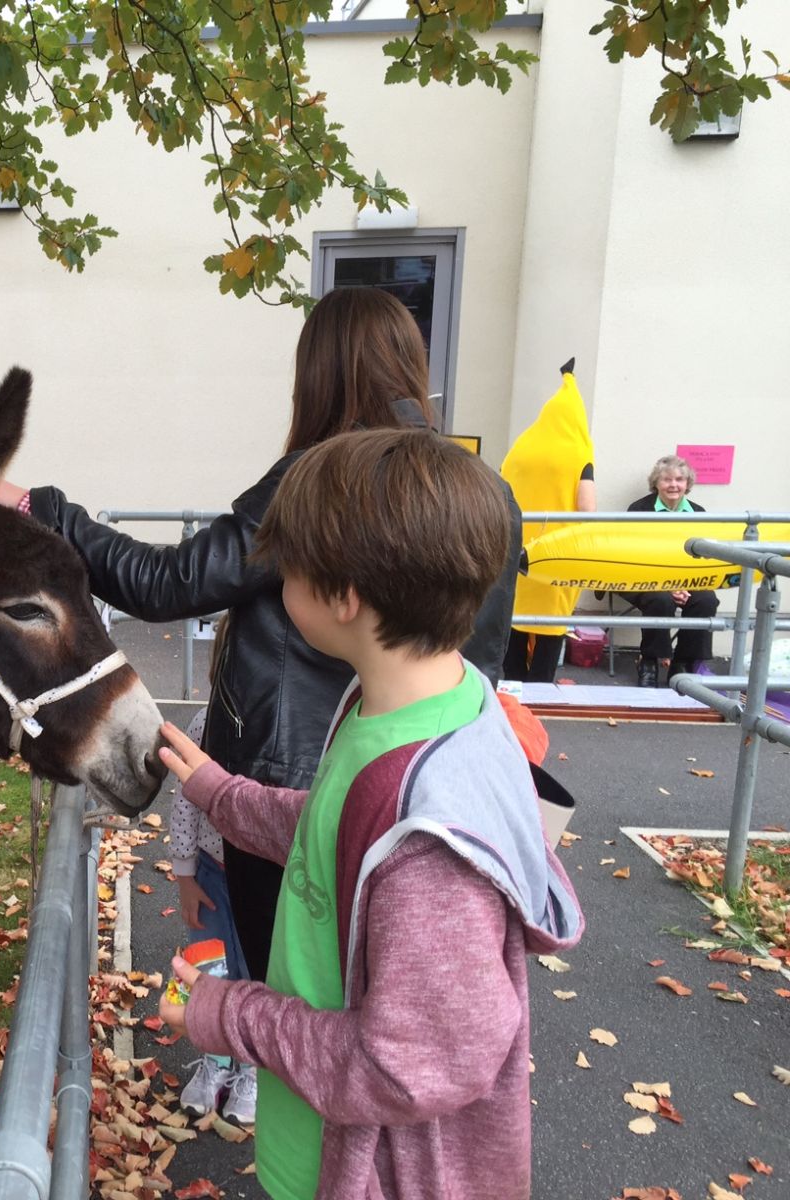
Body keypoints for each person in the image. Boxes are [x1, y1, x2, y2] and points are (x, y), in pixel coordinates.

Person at [0, 286, 522, 1003]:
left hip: (283, 785)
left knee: (294, 993)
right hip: (413, 784)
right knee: (371, 994)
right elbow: (481, 665)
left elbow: (169, 582)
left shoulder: (323, 484)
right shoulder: (472, 492)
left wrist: (43, 511)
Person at [158, 428, 584, 1200]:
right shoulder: (413, 700)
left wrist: (227, 1012)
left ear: (343, 596)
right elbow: (341, 828)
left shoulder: (433, 845)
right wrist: (224, 797)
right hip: (320, 1144)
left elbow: (406, 1067)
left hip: (374, 1175)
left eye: (287, 567)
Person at [167, 687, 256, 1125]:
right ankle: (216, 1063)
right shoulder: (206, 723)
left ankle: (254, 1067)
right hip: (212, 875)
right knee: (210, 968)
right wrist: (184, 876)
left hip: (267, 879)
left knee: (260, 972)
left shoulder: (293, 724)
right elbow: (184, 802)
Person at [500, 363, 595, 682]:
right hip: (558, 555)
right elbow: (587, 508)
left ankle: (512, 688)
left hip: (516, 549)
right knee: (550, 625)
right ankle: (539, 689)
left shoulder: (520, 449)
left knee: (516, 619)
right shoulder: (579, 453)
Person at [624, 454, 718, 686]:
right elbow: (634, 556)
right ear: (656, 483)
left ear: (687, 484)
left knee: (706, 600)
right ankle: (650, 661)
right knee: (660, 600)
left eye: (679, 479)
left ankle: (684, 663)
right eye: (667, 479)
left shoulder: (699, 513)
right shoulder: (639, 510)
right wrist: (667, 585)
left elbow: (703, 558)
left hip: (687, 579)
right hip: (642, 578)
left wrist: (686, 585)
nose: (673, 485)